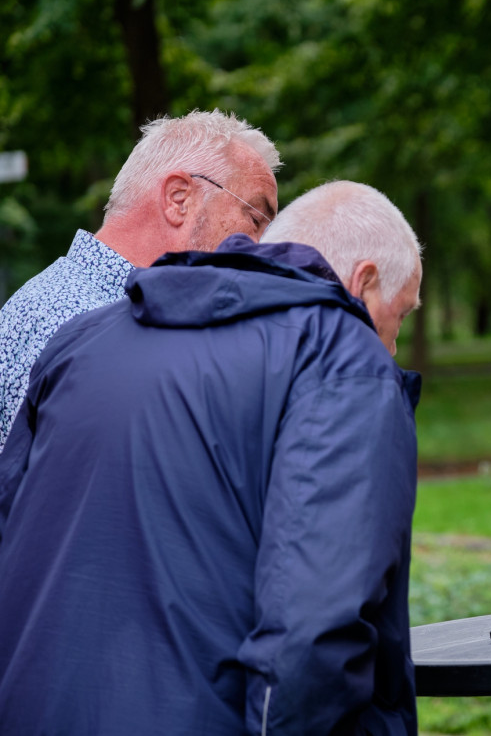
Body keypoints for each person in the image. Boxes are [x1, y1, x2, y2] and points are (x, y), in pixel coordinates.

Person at [0, 180, 423, 734]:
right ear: (363, 280)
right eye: (401, 316)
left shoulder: (82, 340)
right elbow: (315, 628)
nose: (392, 346)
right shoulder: (343, 358)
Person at [0, 109, 281, 451]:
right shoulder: (74, 323)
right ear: (179, 199)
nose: (262, 248)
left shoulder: (84, 309)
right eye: (254, 218)